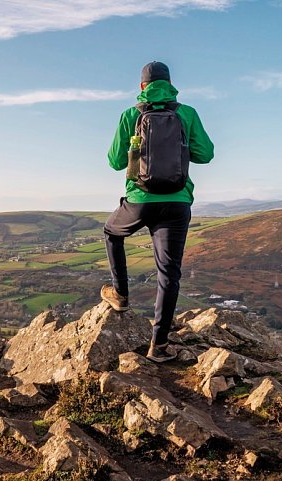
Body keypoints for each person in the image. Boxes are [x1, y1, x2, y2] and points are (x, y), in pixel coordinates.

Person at [101, 61, 214, 363]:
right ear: (170, 83)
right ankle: (159, 346)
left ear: (142, 87)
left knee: (112, 233)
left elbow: (113, 161)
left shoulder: (130, 115)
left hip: (140, 200)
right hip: (177, 202)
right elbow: (206, 154)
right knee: (169, 274)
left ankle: (120, 296)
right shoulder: (186, 113)